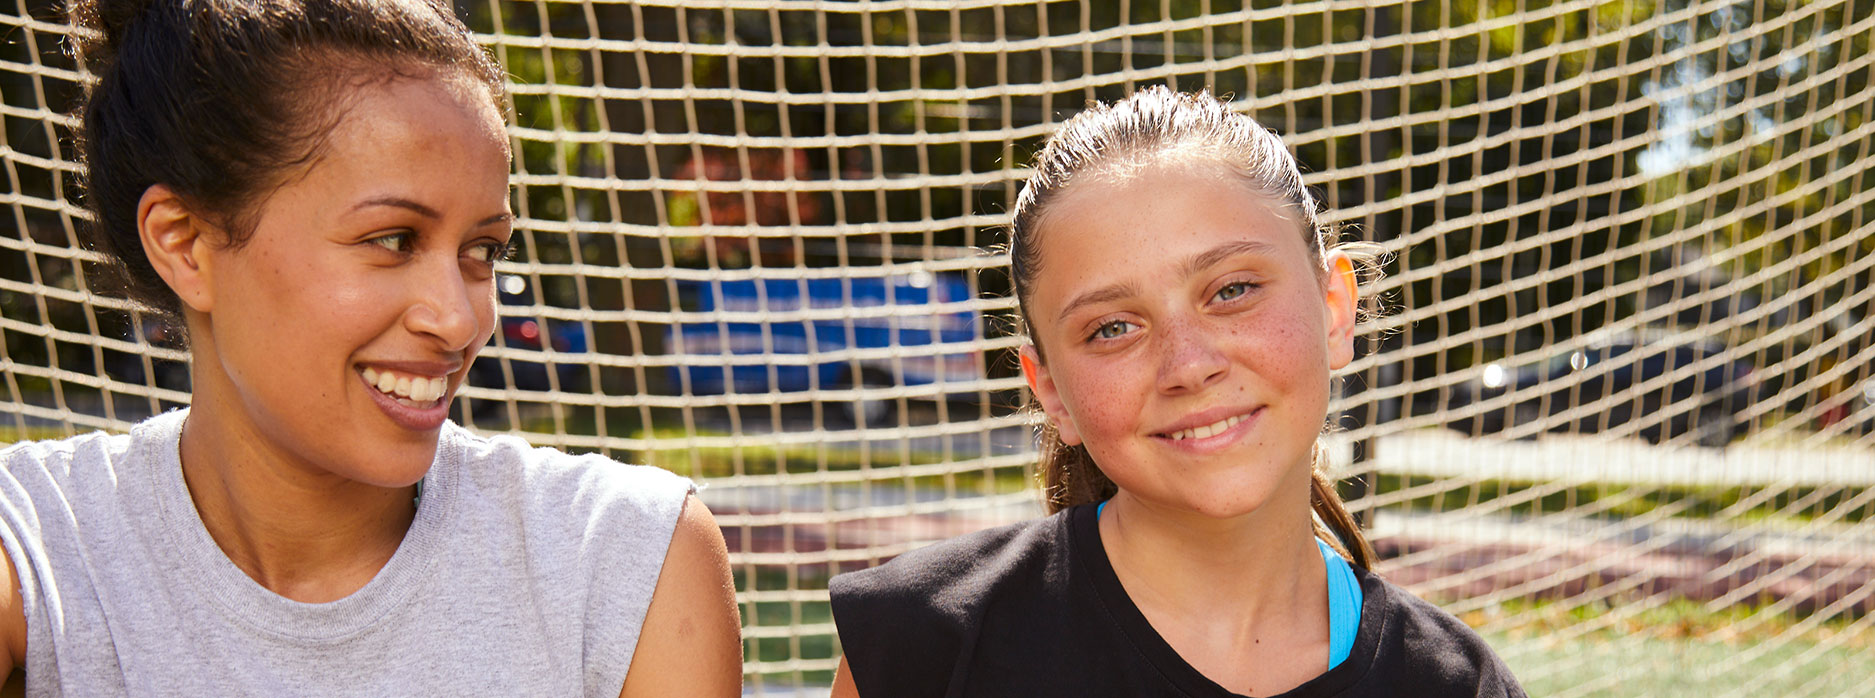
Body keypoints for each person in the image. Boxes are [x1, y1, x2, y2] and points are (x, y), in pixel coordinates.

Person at [0, 1, 742, 695]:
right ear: (186, 245)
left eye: (482, 250)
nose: (458, 320)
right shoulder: (36, 544)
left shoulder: (625, 558)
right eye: (391, 239)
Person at [827, 87, 1525, 697]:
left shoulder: (1455, 684)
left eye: (1231, 290)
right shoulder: (920, 646)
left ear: (1334, 307)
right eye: (1112, 328)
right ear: (1053, 394)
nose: (1187, 364)